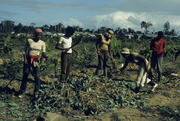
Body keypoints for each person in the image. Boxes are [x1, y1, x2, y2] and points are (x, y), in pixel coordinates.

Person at [18, 28, 48, 98]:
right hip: (28, 59)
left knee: (37, 76)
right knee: (25, 75)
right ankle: (22, 91)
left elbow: (43, 53)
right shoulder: (29, 41)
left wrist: (45, 56)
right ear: (35, 34)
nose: (39, 36)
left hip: (36, 60)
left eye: (41, 34)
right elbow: (24, 51)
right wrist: (25, 59)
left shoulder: (42, 43)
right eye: (38, 34)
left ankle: (36, 92)